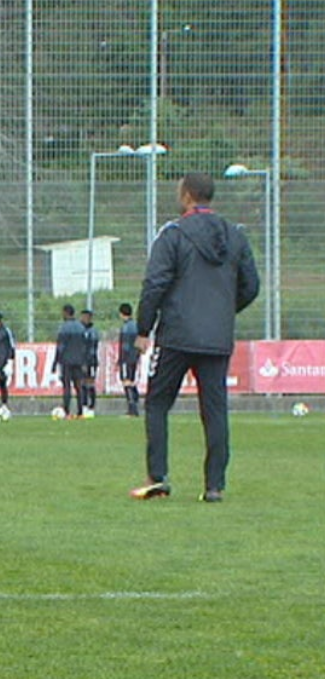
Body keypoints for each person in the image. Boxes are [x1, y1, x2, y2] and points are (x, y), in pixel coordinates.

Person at [130, 172, 259, 503]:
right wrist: (222, 312)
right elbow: (251, 286)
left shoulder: (173, 235)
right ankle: (214, 486)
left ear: (187, 196)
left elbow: (154, 284)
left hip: (176, 335)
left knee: (158, 402)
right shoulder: (235, 236)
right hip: (217, 338)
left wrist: (144, 329)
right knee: (215, 409)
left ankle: (157, 477)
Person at [53, 304, 87, 419]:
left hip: (67, 361)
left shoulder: (64, 328)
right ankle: (80, 412)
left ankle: (67, 412)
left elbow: (60, 347)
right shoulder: (81, 327)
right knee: (78, 386)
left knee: (67, 386)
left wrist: (55, 362)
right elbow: (84, 346)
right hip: (79, 361)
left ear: (66, 313)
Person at [117, 303, 141, 417]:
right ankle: (135, 403)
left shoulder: (126, 327)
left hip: (127, 358)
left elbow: (125, 346)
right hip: (135, 357)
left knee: (127, 381)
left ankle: (132, 409)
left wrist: (121, 359)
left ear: (121, 313)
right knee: (131, 380)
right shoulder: (136, 325)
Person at [80, 309, 100, 418]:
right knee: (82, 383)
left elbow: (93, 348)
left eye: (85, 317)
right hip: (81, 361)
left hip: (91, 361)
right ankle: (84, 406)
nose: (83, 319)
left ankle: (91, 406)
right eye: (82, 317)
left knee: (90, 383)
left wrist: (89, 360)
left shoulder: (93, 331)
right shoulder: (80, 330)